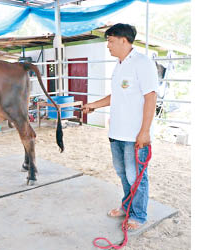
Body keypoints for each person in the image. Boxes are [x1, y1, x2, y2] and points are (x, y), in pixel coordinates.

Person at [82, 23, 158, 231]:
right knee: (123, 173)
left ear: (124, 40)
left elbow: (150, 97)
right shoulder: (119, 65)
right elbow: (117, 97)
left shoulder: (142, 63)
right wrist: (94, 106)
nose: (108, 46)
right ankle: (127, 207)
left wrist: (144, 131)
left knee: (137, 176)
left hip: (135, 134)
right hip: (116, 132)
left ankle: (138, 215)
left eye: (111, 41)